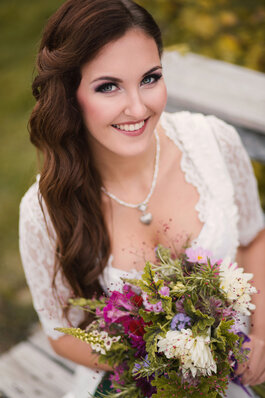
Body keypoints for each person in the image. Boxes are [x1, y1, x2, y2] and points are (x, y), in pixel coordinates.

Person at [19, 0, 265, 397]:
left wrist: (260, 334)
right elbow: (60, 333)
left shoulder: (215, 142)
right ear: (69, 94)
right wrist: (167, 364)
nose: (138, 107)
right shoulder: (43, 209)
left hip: (226, 370)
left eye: (150, 78)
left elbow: (254, 237)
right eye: (108, 86)